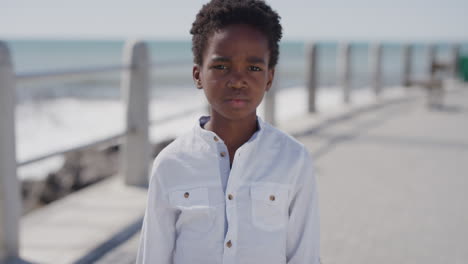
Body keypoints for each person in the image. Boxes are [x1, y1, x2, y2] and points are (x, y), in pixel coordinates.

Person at [136, 0, 320, 263]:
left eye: (254, 68)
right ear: (198, 74)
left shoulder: (294, 160)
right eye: (221, 66)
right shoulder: (170, 164)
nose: (237, 80)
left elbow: (305, 256)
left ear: (270, 77)